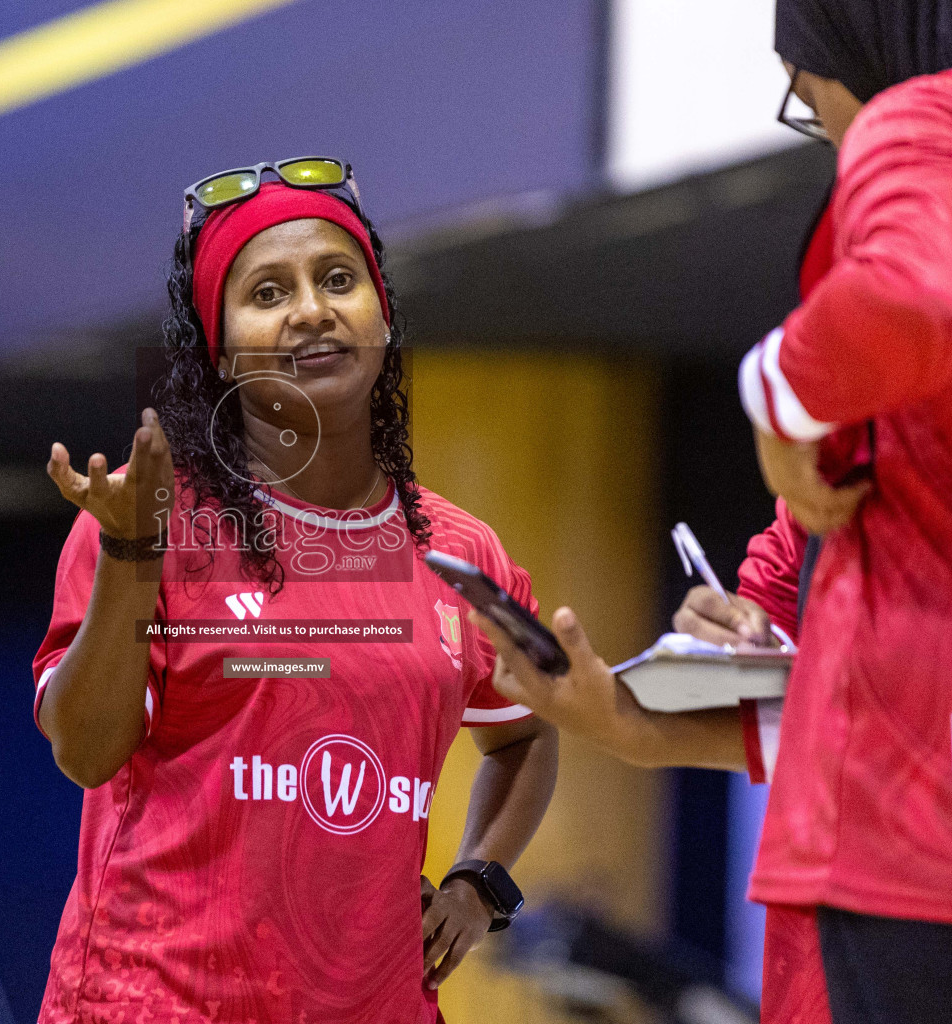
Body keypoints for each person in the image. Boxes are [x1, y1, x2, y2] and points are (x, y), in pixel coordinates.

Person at [487, 1, 952, 1021]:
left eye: (805, 91)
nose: (827, 132)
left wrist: (774, 391)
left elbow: (932, 292)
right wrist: (618, 707)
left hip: (934, 862)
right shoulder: (883, 444)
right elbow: (789, 709)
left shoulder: (937, 119)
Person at [34, 160, 560, 1023]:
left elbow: (530, 733)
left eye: (339, 280)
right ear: (220, 342)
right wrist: (132, 557)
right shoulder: (143, 513)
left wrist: (479, 886)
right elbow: (86, 754)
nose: (312, 309)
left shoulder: (461, 552)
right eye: (268, 292)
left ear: (383, 317)